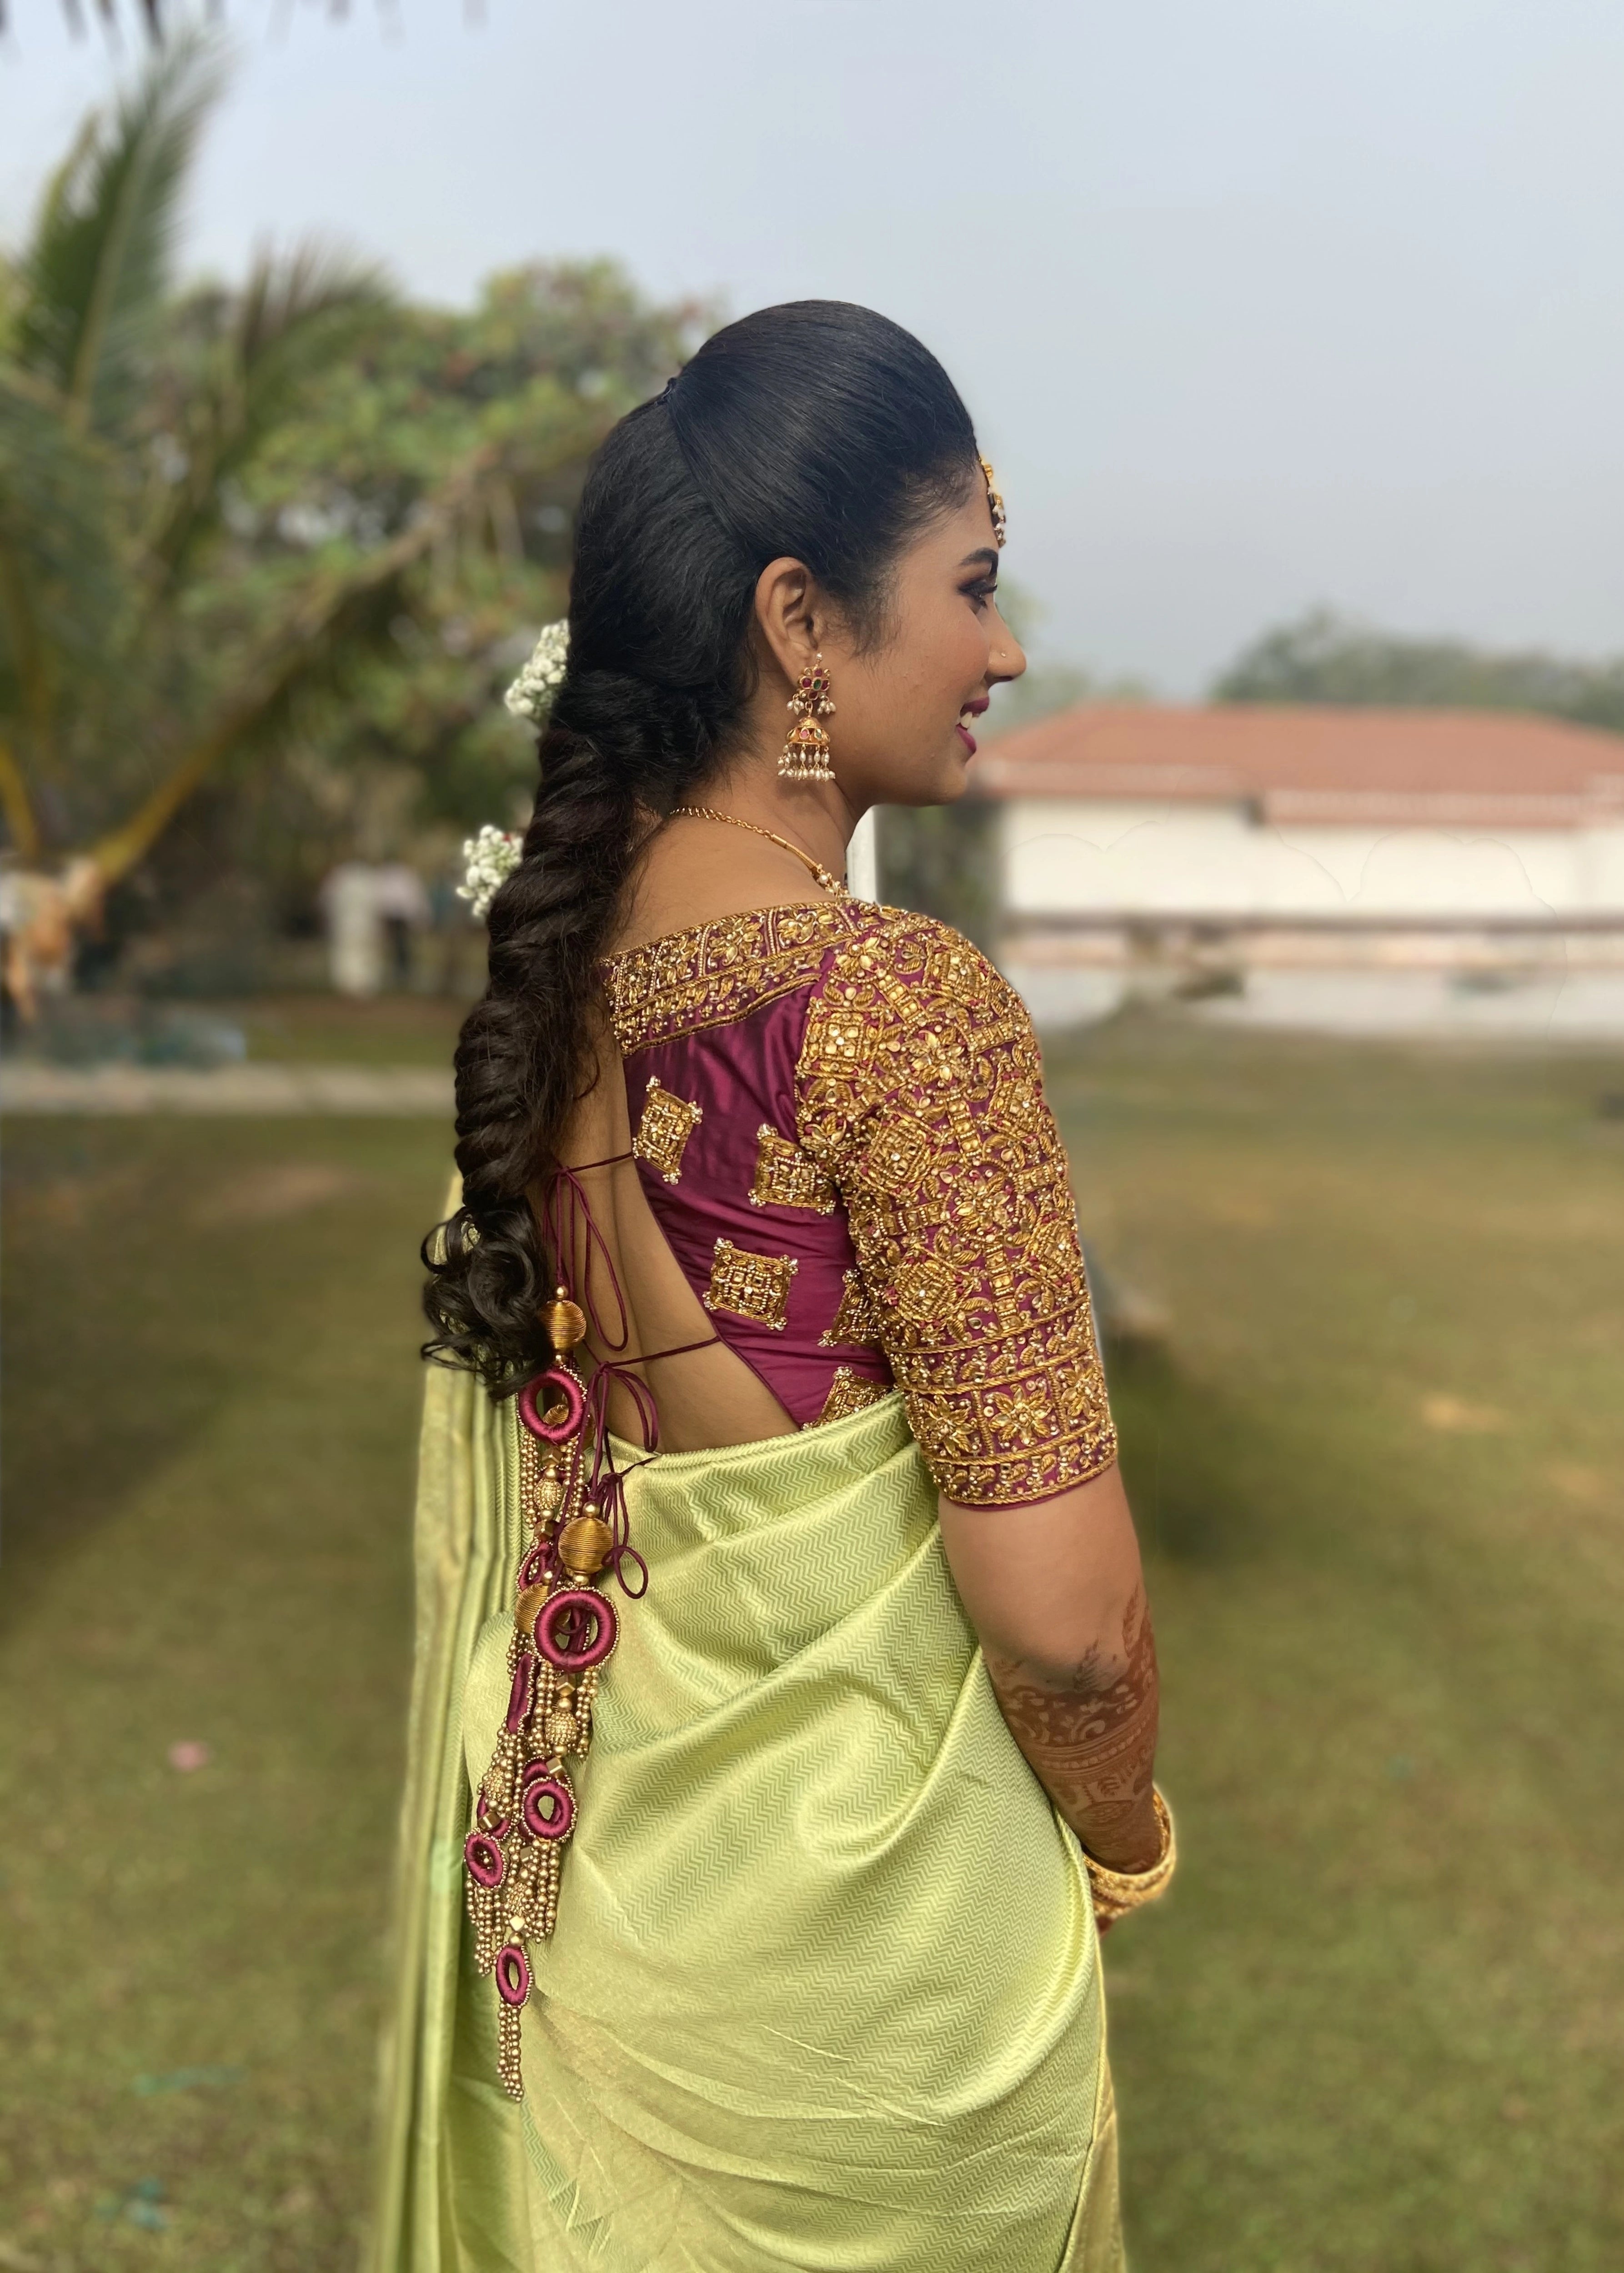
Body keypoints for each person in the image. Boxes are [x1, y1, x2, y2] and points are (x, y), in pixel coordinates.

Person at [376, 301, 1172, 2273]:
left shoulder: (547, 990)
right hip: (874, 2023)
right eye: (971, 587)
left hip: (615, 1955)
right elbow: (1066, 1628)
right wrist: (1128, 1828)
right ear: (801, 623)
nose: (1002, 650)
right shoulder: (895, 1010)